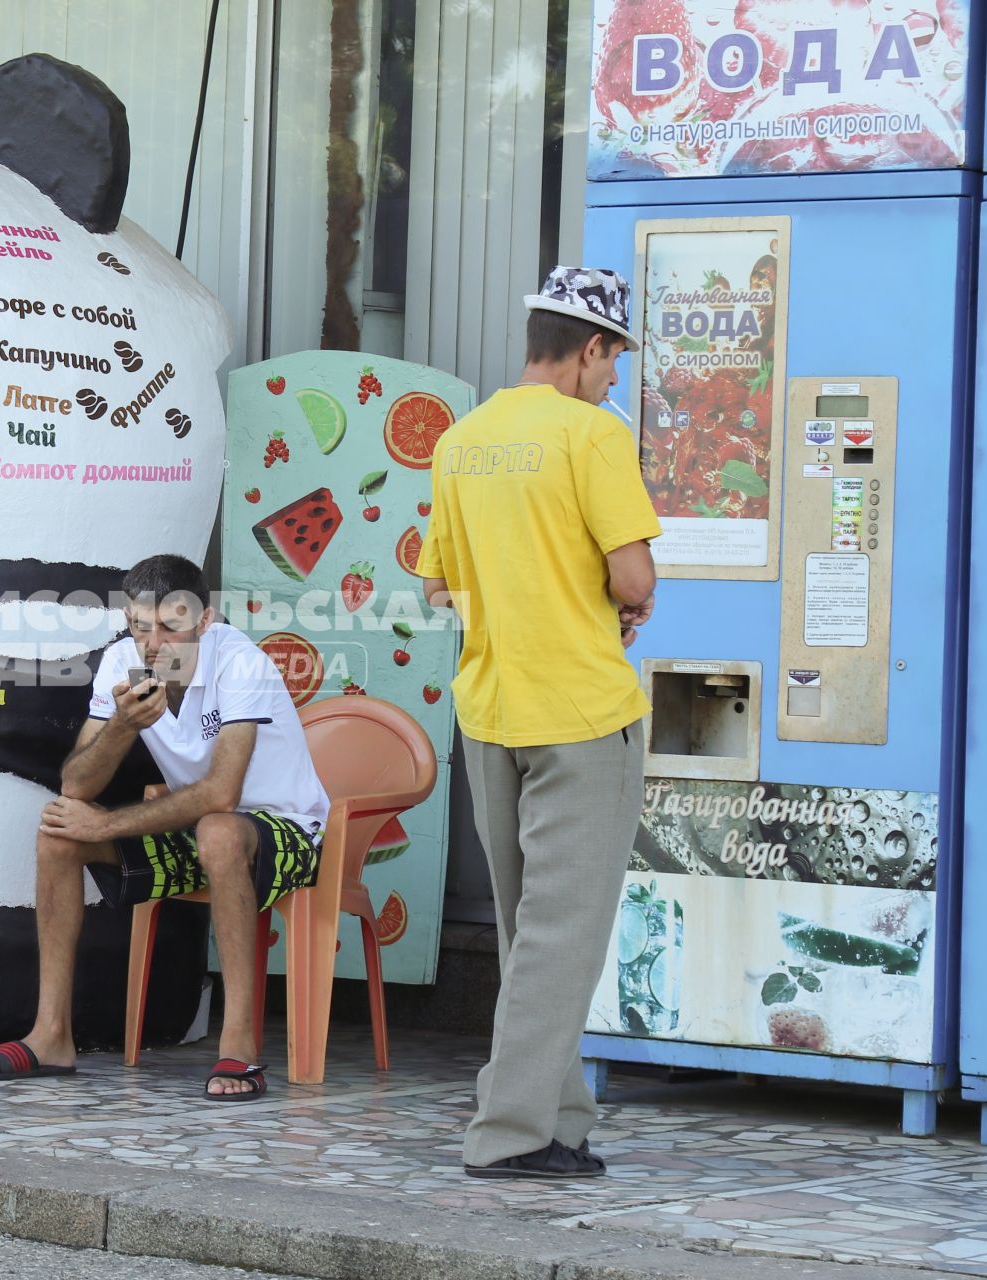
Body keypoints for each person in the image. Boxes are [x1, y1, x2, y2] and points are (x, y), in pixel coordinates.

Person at [415, 266, 662, 1179]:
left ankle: (561, 1119)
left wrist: (520, 598)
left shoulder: (462, 439)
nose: (613, 379)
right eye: (613, 360)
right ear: (590, 348)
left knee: (530, 929)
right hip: (582, 710)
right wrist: (609, 599)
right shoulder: (591, 434)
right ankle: (510, 1132)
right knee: (567, 933)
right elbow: (633, 578)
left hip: (490, 711)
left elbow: (439, 583)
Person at [0, 554, 330, 1099]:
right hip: (198, 830)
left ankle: (239, 1043)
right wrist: (120, 727)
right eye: (139, 627)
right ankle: (51, 1035)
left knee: (220, 830)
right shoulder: (121, 664)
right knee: (60, 833)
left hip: (287, 831)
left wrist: (107, 825)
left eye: (170, 626)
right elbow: (77, 787)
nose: (153, 643)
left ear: (204, 622)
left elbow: (222, 794)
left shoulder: (240, 662)